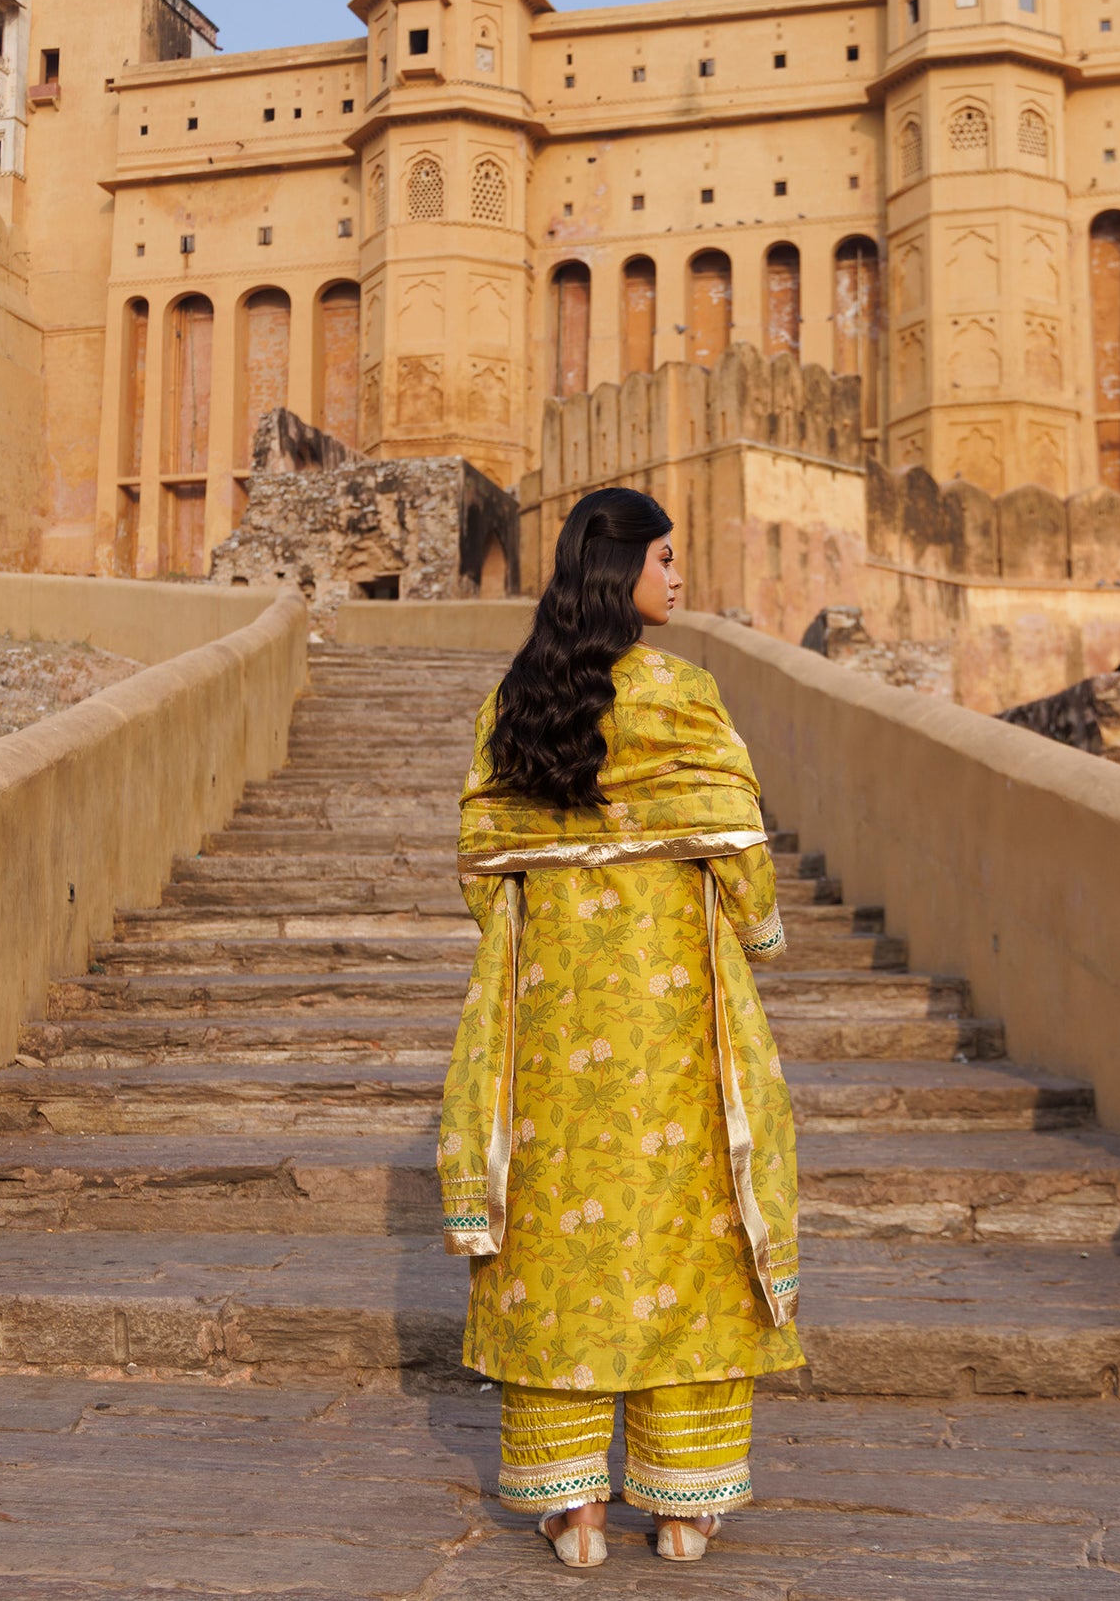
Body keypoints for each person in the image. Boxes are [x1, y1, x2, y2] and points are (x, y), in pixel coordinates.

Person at [438, 486, 804, 1569]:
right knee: (692, 1237)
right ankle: (684, 1504)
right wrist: (762, 935)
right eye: (666, 557)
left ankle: (570, 1505)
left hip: (547, 1025)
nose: (678, 577)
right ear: (623, 572)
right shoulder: (683, 696)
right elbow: (740, 854)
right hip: (676, 1024)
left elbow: (478, 866)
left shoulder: (516, 701)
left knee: (557, 1242)